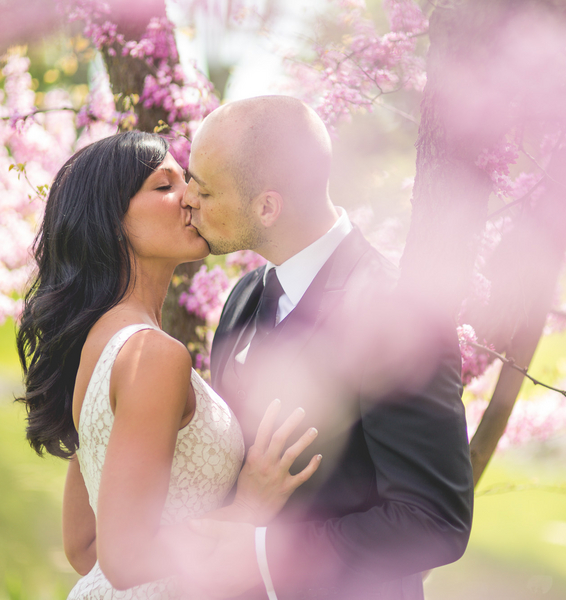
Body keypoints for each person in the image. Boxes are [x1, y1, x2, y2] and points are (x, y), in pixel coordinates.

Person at [180, 95, 474, 600]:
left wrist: (267, 554)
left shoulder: (397, 315)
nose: (186, 199)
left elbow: (434, 519)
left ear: (267, 206)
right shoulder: (244, 295)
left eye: (203, 189)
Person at [16, 131, 322, 599]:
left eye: (192, 183)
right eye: (164, 186)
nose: (191, 199)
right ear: (109, 219)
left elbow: (83, 546)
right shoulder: (152, 355)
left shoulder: (97, 347)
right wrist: (245, 507)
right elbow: (123, 559)